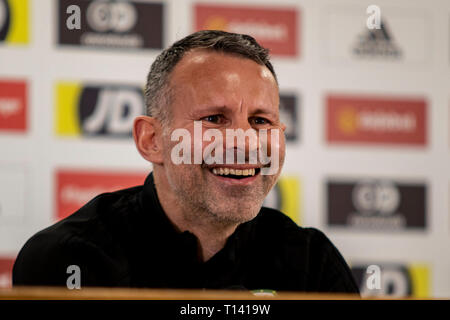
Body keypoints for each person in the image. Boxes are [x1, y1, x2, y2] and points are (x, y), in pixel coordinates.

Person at [13, 30, 359, 293]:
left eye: (260, 121)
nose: (245, 143)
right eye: (214, 119)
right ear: (151, 140)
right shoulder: (69, 260)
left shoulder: (313, 263)